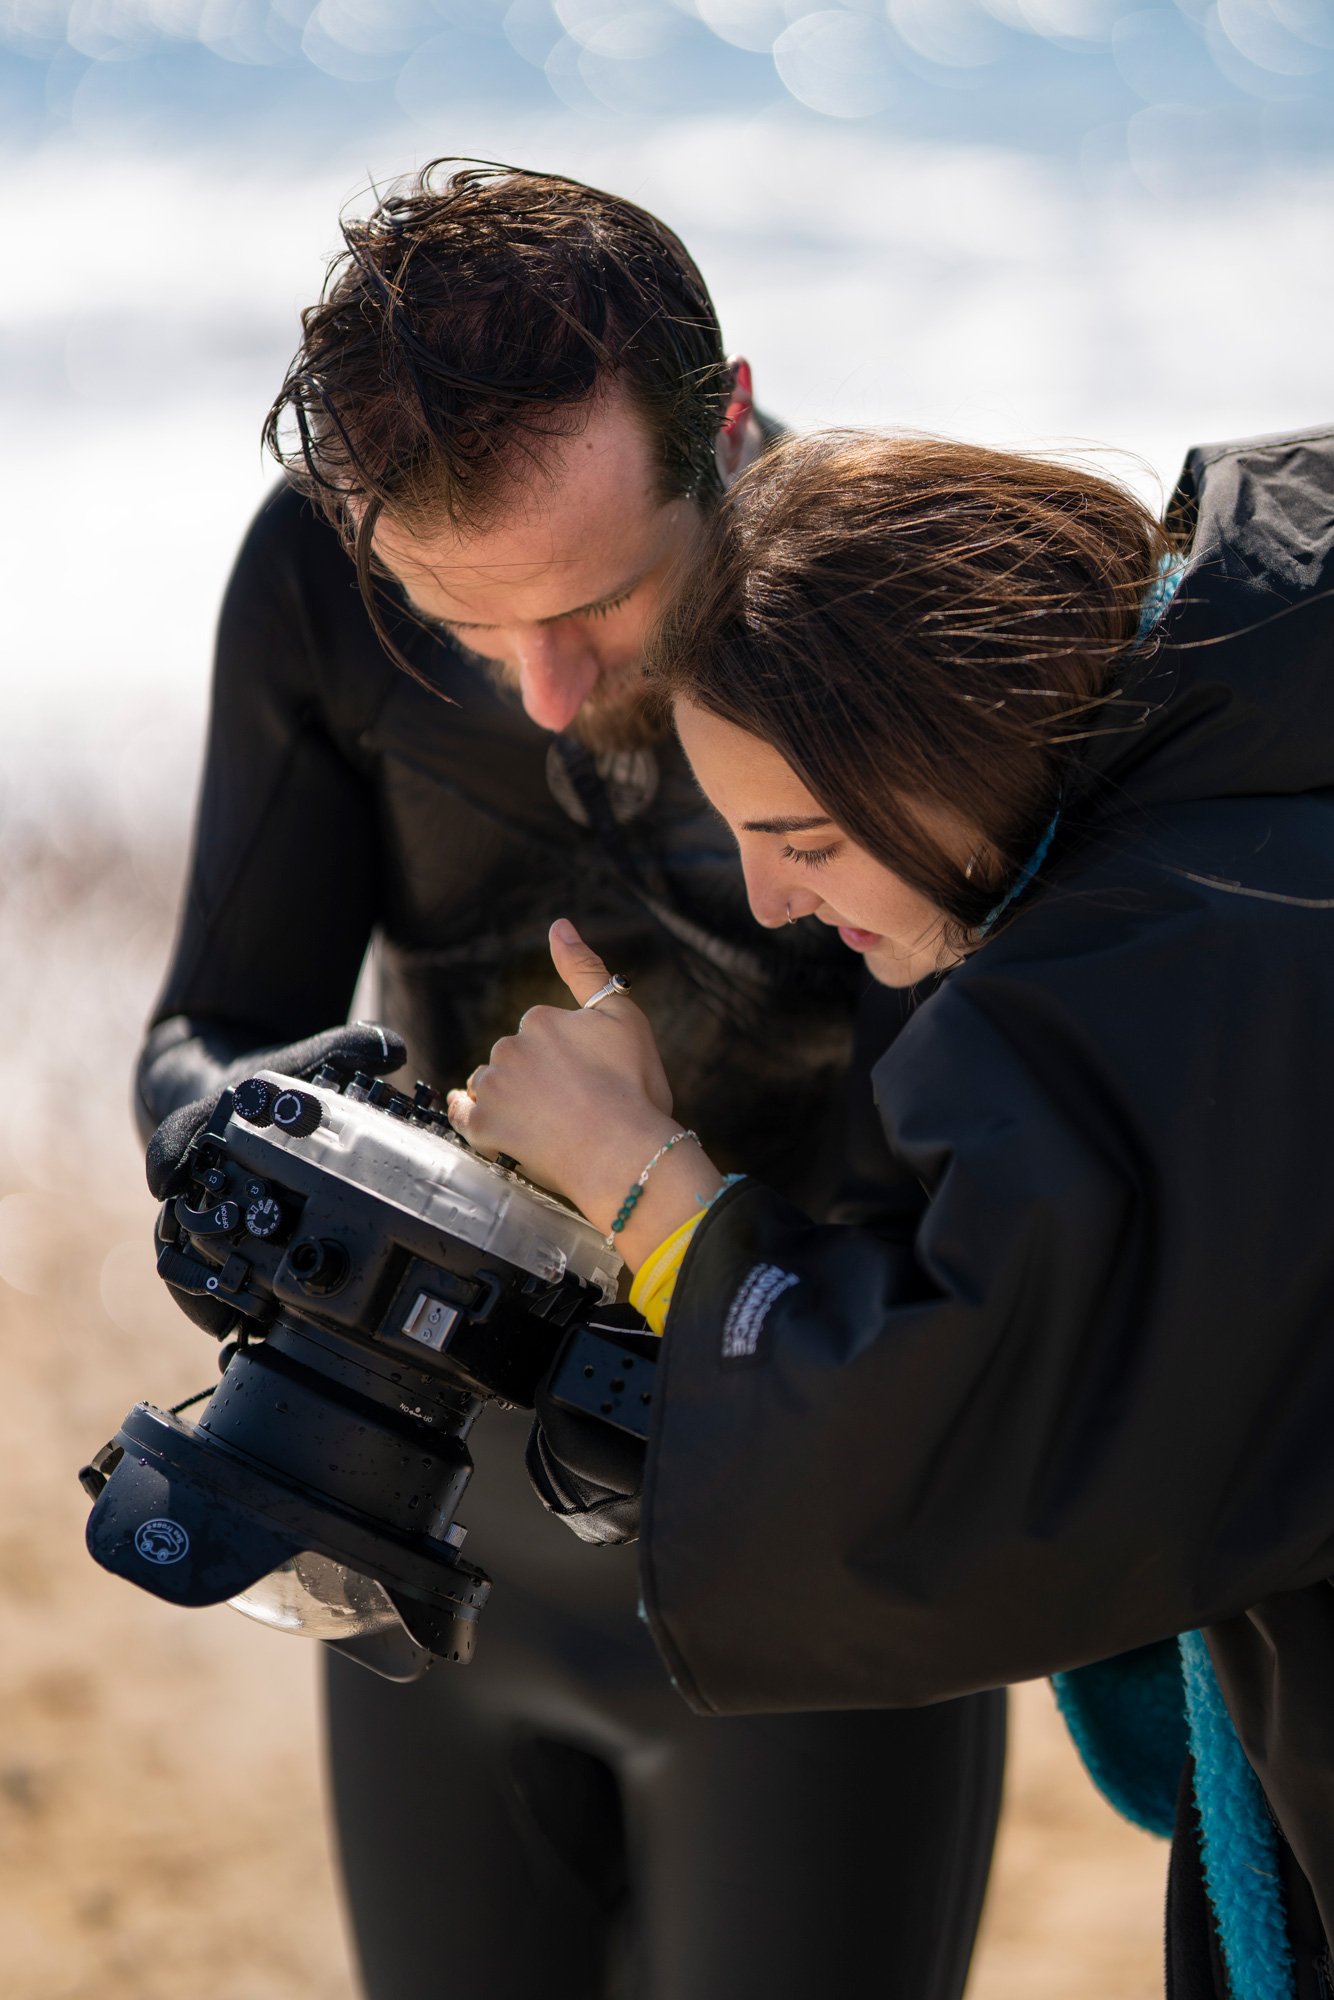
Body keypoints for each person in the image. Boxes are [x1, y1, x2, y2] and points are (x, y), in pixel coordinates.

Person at [136, 165, 1004, 1999]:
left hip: (802, 1566)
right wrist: (228, 1146)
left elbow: (956, 1263)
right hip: (420, 1518)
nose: (538, 691)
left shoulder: (889, 638)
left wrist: (651, 1186)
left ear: (729, 422)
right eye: (459, 619)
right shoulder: (314, 573)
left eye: (605, 601)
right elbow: (212, 1024)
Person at [451, 422, 1334, 1998]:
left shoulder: (1159, 970)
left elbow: (957, 1441)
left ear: (959, 731)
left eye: (804, 839)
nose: (772, 901)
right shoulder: (1273, 683)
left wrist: (642, 1179)